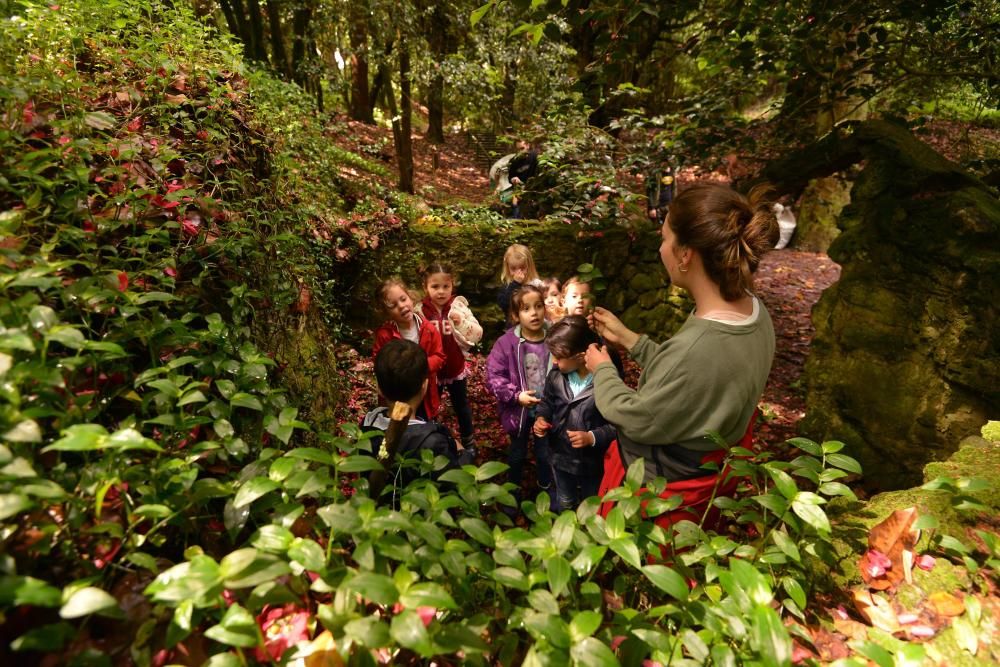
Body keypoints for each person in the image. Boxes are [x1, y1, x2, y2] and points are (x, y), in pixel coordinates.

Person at [585, 181, 779, 529]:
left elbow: (639, 417)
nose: (661, 250)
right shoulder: (754, 313)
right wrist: (633, 341)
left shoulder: (699, 345)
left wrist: (603, 371)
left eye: (664, 239)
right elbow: (695, 383)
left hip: (662, 495)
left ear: (686, 254)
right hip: (708, 472)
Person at [361, 340, 474, 497]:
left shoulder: (367, 425)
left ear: (379, 387)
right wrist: (463, 454)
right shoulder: (433, 442)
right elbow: (453, 483)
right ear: (425, 385)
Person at [533, 316, 617, 511]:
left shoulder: (605, 381)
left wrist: (592, 437)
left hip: (593, 461)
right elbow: (546, 402)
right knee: (565, 500)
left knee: (593, 504)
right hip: (560, 455)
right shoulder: (556, 375)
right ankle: (567, 526)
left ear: (580, 357)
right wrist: (541, 418)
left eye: (559, 356)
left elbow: (617, 424)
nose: (554, 361)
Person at [486, 284, 554, 514]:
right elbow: (494, 376)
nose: (534, 313)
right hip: (519, 412)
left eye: (538, 306)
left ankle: (546, 491)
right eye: (526, 309)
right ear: (516, 315)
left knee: (546, 454)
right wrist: (516, 396)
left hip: (548, 411)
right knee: (517, 454)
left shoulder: (554, 338)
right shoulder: (506, 344)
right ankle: (512, 493)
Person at [420, 262, 483, 454]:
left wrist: (461, 322)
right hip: (433, 370)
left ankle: (468, 440)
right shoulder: (421, 311)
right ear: (426, 287)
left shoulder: (459, 307)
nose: (441, 292)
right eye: (435, 287)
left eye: (445, 287)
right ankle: (428, 438)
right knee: (430, 405)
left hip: (455, 366)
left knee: (461, 405)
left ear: (452, 285)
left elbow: (477, 333)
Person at [372, 277, 446, 421]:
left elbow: (439, 356)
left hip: (423, 394)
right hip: (396, 393)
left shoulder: (428, 329)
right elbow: (378, 361)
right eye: (393, 305)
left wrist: (420, 368)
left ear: (410, 297)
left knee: (423, 422)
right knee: (398, 425)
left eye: (403, 299)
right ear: (385, 312)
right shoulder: (384, 335)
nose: (401, 306)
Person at [497, 243, 540, 323]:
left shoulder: (536, 284)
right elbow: (503, 304)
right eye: (513, 269)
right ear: (508, 268)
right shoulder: (507, 286)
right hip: (514, 326)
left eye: (522, 268)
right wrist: (515, 284)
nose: (518, 272)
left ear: (529, 266)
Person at [506, 139, 539, 219]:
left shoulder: (535, 156)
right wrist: (513, 179)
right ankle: (515, 217)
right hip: (518, 188)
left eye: (522, 148)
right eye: (518, 149)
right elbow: (510, 177)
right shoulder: (515, 161)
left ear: (527, 146)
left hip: (533, 187)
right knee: (509, 198)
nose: (520, 151)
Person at [646, 158, 677, 225]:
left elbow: (674, 189)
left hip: (669, 205)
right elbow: (649, 191)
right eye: (663, 162)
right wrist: (652, 207)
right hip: (657, 206)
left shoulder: (672, 172)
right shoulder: (655, 174)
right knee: (656, 227)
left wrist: (674, 204)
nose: (664, 164)